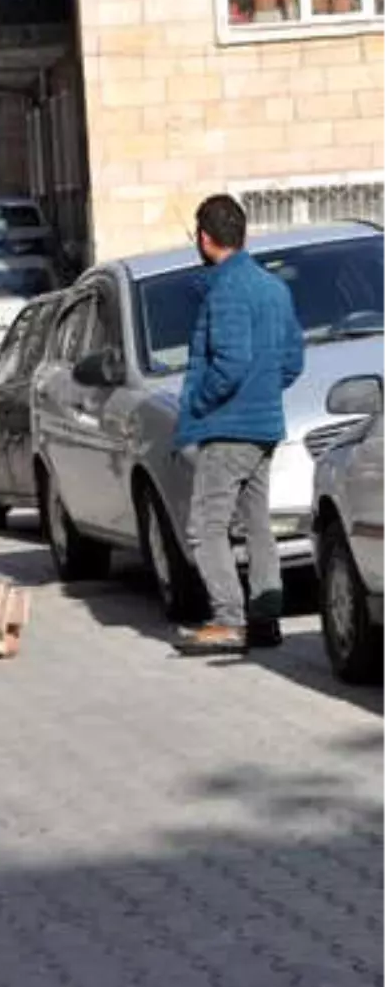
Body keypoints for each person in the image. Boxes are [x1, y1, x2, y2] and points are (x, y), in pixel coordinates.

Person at [172, 194, 305, 656]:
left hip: (228, 427)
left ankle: (229, 619)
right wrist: (264, 391)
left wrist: (201, 402)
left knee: (205, 527)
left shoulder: (226, 289)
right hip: (264, 424)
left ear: (206, 240)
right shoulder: (274, 287)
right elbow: (292, 362)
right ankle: (266, 620)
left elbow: (229, 362)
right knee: (256, 525)